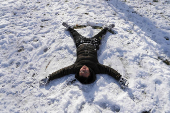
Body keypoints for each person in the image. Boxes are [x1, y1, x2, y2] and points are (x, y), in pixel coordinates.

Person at [40, 22, 128, 89]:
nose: (83, 69)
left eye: (81, 71)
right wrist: (119, 78)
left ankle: (70, 28)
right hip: (93, 44)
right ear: (90, 72)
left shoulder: (76, 67)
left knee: (75, 35)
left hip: (80, 44)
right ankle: (106, 28)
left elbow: (62, 72)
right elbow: (109, 70)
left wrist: (49, 77)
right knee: (100, 35)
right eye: (85, 71)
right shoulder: (96, 68)